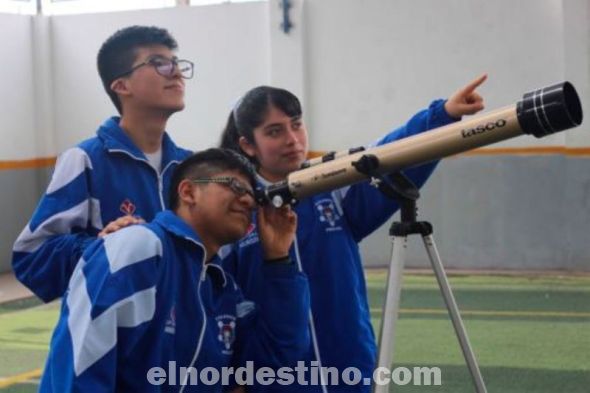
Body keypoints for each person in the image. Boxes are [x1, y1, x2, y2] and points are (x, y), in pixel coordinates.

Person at [219, 75, 487, 392]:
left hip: (348, 364)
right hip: (274, 376)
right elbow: (221, 303)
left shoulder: (333, 187)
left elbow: (386, 156)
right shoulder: (235, 208)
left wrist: (442, 116)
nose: (292, 139)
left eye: (296, 124)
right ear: (248, 144)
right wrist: (234, 373)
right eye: (275, 132)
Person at [39, 148, 310, 392]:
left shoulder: (222, 289)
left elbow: (276, 366)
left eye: (252, 195)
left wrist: (277, 259)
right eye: (234, 186)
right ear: (188, 192)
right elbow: (82, 364)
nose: (248, 201)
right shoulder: (138, 248)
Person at [12, 25, 193, 302]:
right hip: (117, 336)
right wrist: (101, 248)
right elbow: (31, 256)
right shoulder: (86, 160)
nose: (177, 73)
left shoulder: (189, 166)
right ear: (122, 85)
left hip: (183, 332)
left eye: (176, 63)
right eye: (160, 64)